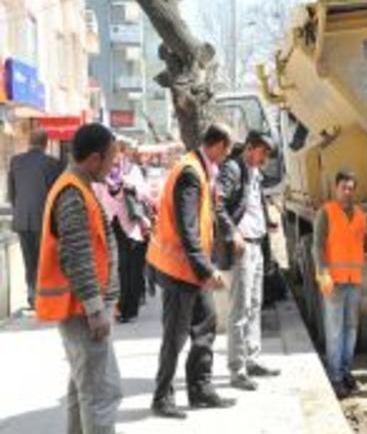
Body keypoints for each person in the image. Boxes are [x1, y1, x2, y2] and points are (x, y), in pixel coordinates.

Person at [35, 123, 122, 434]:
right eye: (112, 157)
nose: (115, 164)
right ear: (95, 159)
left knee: (83, 390)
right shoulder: (73, 192)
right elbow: (77, 255)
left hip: (79, 309)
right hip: (82, 311)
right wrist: (96, 309)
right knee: (102, 393)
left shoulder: (77, 186)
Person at [147, 123, 235, 419]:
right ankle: (162, 397)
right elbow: (188, 230)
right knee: (175, 335)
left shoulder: (200, 169)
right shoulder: (190, 172)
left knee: (206, 322)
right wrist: (207, 269)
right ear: (219, 145)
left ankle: (200, 388)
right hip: (177, 269)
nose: (226, 157)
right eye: (227, 151)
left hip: (190, 269)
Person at [215, 131, 281, 392]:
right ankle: (237, 369)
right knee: (239, 310)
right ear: (250, 148)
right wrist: (233, 233)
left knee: (254, 305)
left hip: (256, 245)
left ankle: (252, 359)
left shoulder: (253, 173)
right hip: (241, 249)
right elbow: (216, 203)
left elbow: (252, 205)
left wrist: (267, 222)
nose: (265, 159)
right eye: (263, 153)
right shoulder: (233, 169)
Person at [312, 170, 367, 399]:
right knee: (335, 331)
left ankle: (345, 370)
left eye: (351, 188)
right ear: (336, 188)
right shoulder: (326, 213)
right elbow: (317, 246)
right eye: (343, 188)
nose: (347, 192)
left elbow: (363, 241)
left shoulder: (360, 215)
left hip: (353, 281)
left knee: (351, 329)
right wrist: (323, 273)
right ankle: (335, 377)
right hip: (334, 282)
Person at [95, 142, 154, 322]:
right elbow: (96, 195)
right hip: (110, 223)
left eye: (117, 153)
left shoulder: (132, 170)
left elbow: (146, 194)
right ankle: (119, 308)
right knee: (118, 267)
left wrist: (132, 187)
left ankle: (131, 307)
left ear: (122, 154)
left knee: (133, 268)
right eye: (111, 153)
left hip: (131, 225)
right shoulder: (101, 172)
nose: (114, 157)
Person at [7, 129, 62, 308]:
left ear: (29, 142)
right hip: (44, 220)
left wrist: (20, 211)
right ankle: (43, 296)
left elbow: (12, 193)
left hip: (22, 219)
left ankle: (32, 296)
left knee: (28, 260)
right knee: (44, 259)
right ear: (46, 144)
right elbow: (58, 196)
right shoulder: (53, 164)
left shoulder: (15, 162)